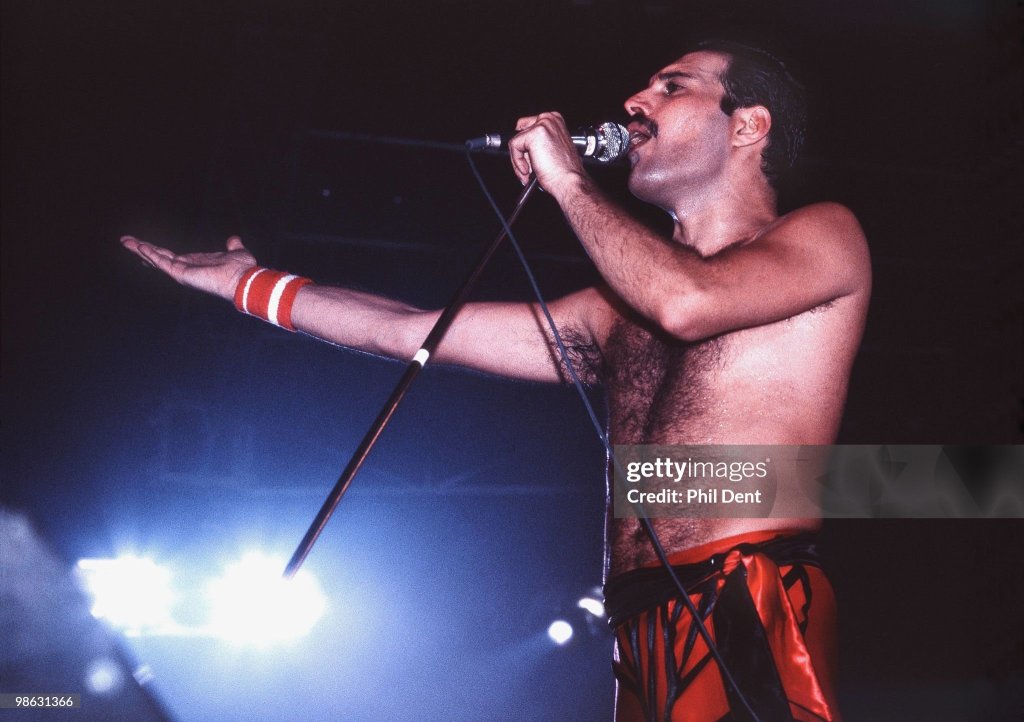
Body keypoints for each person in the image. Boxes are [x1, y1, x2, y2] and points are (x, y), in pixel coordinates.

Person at [122, 39, 869, 722]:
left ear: (748, 126)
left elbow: (688, 304)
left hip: (750, 596)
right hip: (636, 622)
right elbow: (410, 331)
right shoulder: (613, 316)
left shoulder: (822, 235)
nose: (635, 101)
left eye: (672, 87)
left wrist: (568, 182)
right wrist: (249, 286)